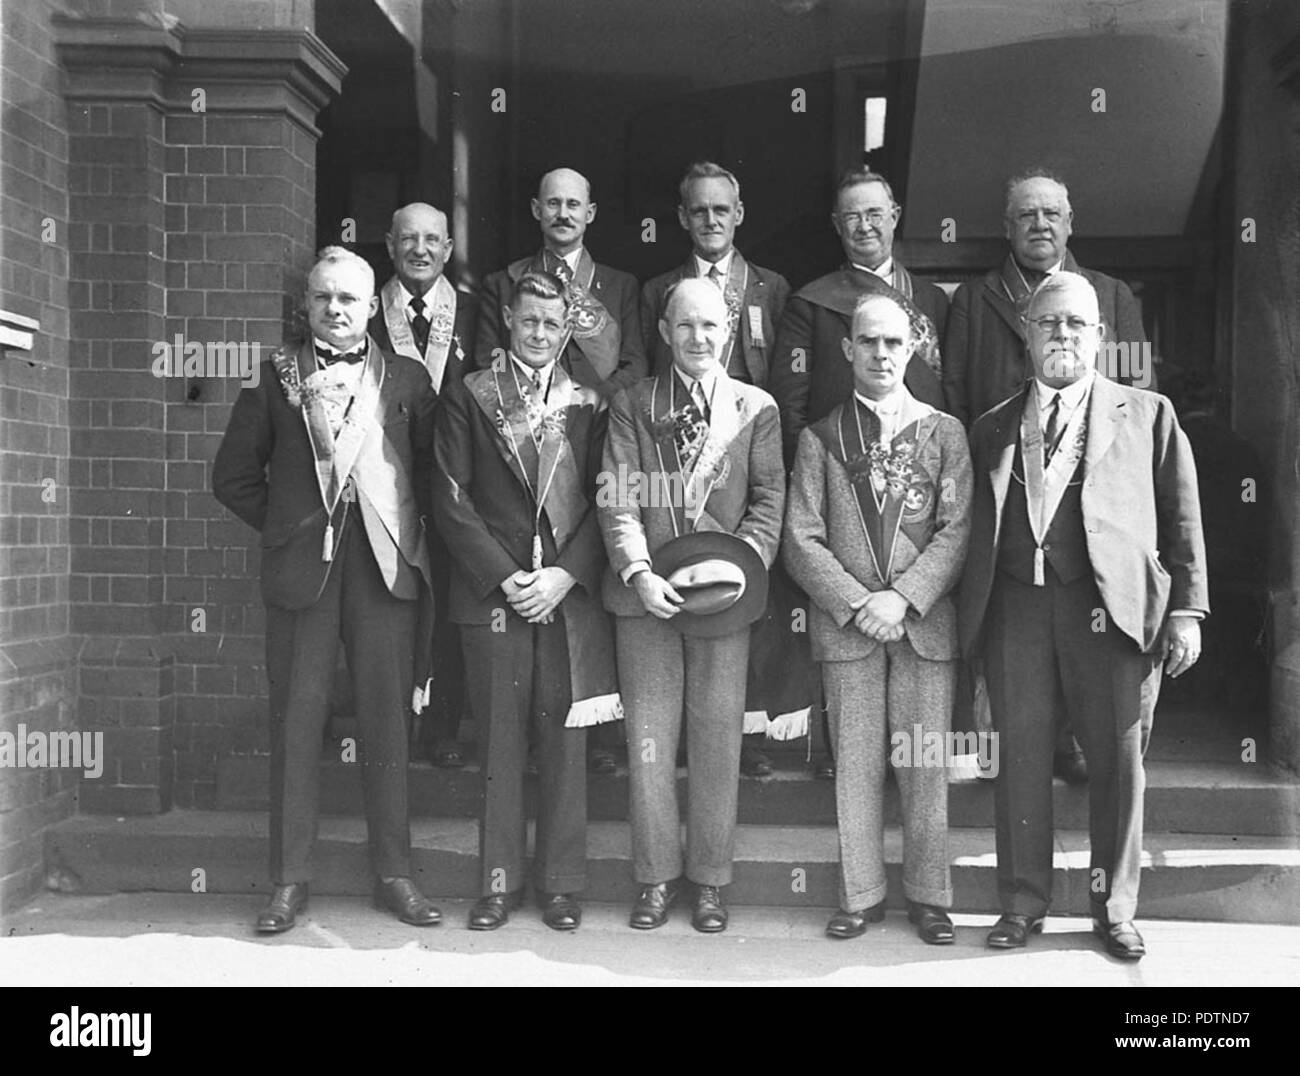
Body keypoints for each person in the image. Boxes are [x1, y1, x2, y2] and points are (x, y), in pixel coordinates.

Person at [958, 271, 1208, 960]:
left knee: (1117, 763)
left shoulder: (1149, 413)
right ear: (1028, 337)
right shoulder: (993, 425)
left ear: (1100, 335)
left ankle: (1115, 908)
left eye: (1076, 324)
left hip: (1115, 613)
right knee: (1021, 761)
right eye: (1048, 324)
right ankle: (1021, 903)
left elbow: (1182, 519)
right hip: (1017, 610)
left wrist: (1187, 611)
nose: (1062, 335)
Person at [212, 246, 442, 933]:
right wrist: (286, 525)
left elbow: (428, 477)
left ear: (374, 307)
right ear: (305, 305)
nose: (336, 310)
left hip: (382, 569)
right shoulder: (274, 377)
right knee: (296, 723)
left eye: (349, 299)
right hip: (301, 573)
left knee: (385, 723)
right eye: (323, 299)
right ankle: (287, 881)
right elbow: (232, 479)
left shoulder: (407, 378)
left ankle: (394, 874)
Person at [943, 168, 1153, 784]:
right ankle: (1016, 747)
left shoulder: (1109, 296)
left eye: (1051, 214)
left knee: (1091, 624)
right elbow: (956, 393)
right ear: (1008, 229)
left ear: (1069, 223)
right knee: (1018, 629)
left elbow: (1136, 395)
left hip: (1091, 500)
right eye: (1027, 216)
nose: (1040, 225)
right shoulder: (976, 300)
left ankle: (1080, 744)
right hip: (1006, 490)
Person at [434, 270, 619, 931]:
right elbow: (450, 498)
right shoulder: (471, 396)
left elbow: (607, 501)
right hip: (496, 596)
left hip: (564, 597)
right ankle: (498, 883)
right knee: (501, 741)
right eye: (528, 320)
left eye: (551, 322)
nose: (539, 333)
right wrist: (509, 578)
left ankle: (562, 885)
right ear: (509, 320)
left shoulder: (589, 402)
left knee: (564, 739)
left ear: (567, 328)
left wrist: (566, 575)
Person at [783, 293, 972, 943]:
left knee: (924, 767)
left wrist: (905, 597)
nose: (882, 354)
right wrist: (859, 603)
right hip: (849, 628)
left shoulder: (945, 432)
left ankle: (928, 895)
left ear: (913, 345)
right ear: (848, 349)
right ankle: (859, 893)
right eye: (869, 342)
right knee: (857, 766)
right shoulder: (820, 439)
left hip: (922, 626)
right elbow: (800, 538)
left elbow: (957, 529)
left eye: (894, 342)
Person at [599, 278, 785, 933]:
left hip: (725, 601)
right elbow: (618, 494)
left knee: (715, 742)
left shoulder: (757, 407)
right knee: (649, 746)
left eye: (710, 327)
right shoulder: (633, 403)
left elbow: (767, 502)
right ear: (664, 332)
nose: (698, 339)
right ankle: (654, 879)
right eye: (685, 327)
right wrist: (639, 570)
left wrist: (738, 568)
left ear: (729, 329)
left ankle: (709, 881)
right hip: (645, 594)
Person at [641, 161, 809, 778]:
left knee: (746, 601)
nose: (711, 220)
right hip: (672, 464)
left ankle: (748, 739)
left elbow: (788, 384)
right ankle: (681, 737)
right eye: (698, 210)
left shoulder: (771, 286)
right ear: (682, 218)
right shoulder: (656, 288)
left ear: (739, 215)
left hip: (747, 458)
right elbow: (644, 382)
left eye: (722, 209)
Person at [477, 166, 646, 776]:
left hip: (594, 442)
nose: (564, 214)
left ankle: (597, 735)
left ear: (591, 213)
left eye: (575, 204)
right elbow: (486, 364)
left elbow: (636, 364)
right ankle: (528, 740)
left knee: (587, 582)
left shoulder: (622, 286)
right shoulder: (503, 282)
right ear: (536, 210)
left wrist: (599, 399)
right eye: (553, 204)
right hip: (521, 457)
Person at [370, 201, 476, 770]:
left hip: (456, 487)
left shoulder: (475, 311)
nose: (420, 250)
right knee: (392, 608)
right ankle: (392, 728)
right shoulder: (365, 310)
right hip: (386, 485)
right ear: (389, 245)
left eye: (432, 240)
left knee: (452, 607)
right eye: (408, 239)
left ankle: (443, 728)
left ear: (447, 249)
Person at [768, 167, 949, 469]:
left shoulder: (933, 300)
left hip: (924, 462)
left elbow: (952, 392)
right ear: (838, 225)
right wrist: (812, 473)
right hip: (842, 465)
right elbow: (790, 404)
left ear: (895, 216)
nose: (865, 226)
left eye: (875, 214)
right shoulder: (808, 305)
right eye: (852, 217)